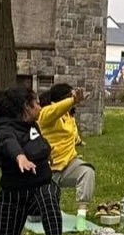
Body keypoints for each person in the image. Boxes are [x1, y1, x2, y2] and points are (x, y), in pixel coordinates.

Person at [0, 85, 64, 235]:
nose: (40, 107)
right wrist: (20, 157)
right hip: (13, 195)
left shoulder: (32, 125)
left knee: (48, 194)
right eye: (37, 103)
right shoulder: (2, 128)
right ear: (26, 106)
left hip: (39, 191)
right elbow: (7, 142)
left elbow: (39, 145)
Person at [38, 84, 95, 225]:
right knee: (37, 217)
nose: (73, 100)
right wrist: (72, 100)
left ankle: (81, 218)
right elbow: (56, 110)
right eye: (70, 96)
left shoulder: (70, 117)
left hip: (68, 166)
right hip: (47, 171)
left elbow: (71, 135)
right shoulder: (46, 114)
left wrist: (79, 141)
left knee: (87, 172)